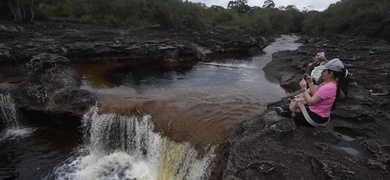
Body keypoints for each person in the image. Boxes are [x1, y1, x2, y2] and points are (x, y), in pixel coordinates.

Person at [275, 58, 346, 127]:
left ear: (331, 74)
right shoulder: (333, 85)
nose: (322, 73)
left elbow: (311, 102)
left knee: (292, 114)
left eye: (324, 71)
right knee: (298, 108)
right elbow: (316, 95)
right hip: (322, 116)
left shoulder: (327, 87)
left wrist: (304, 89)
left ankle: (283, 113)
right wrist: (310, 83)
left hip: (314, 118)